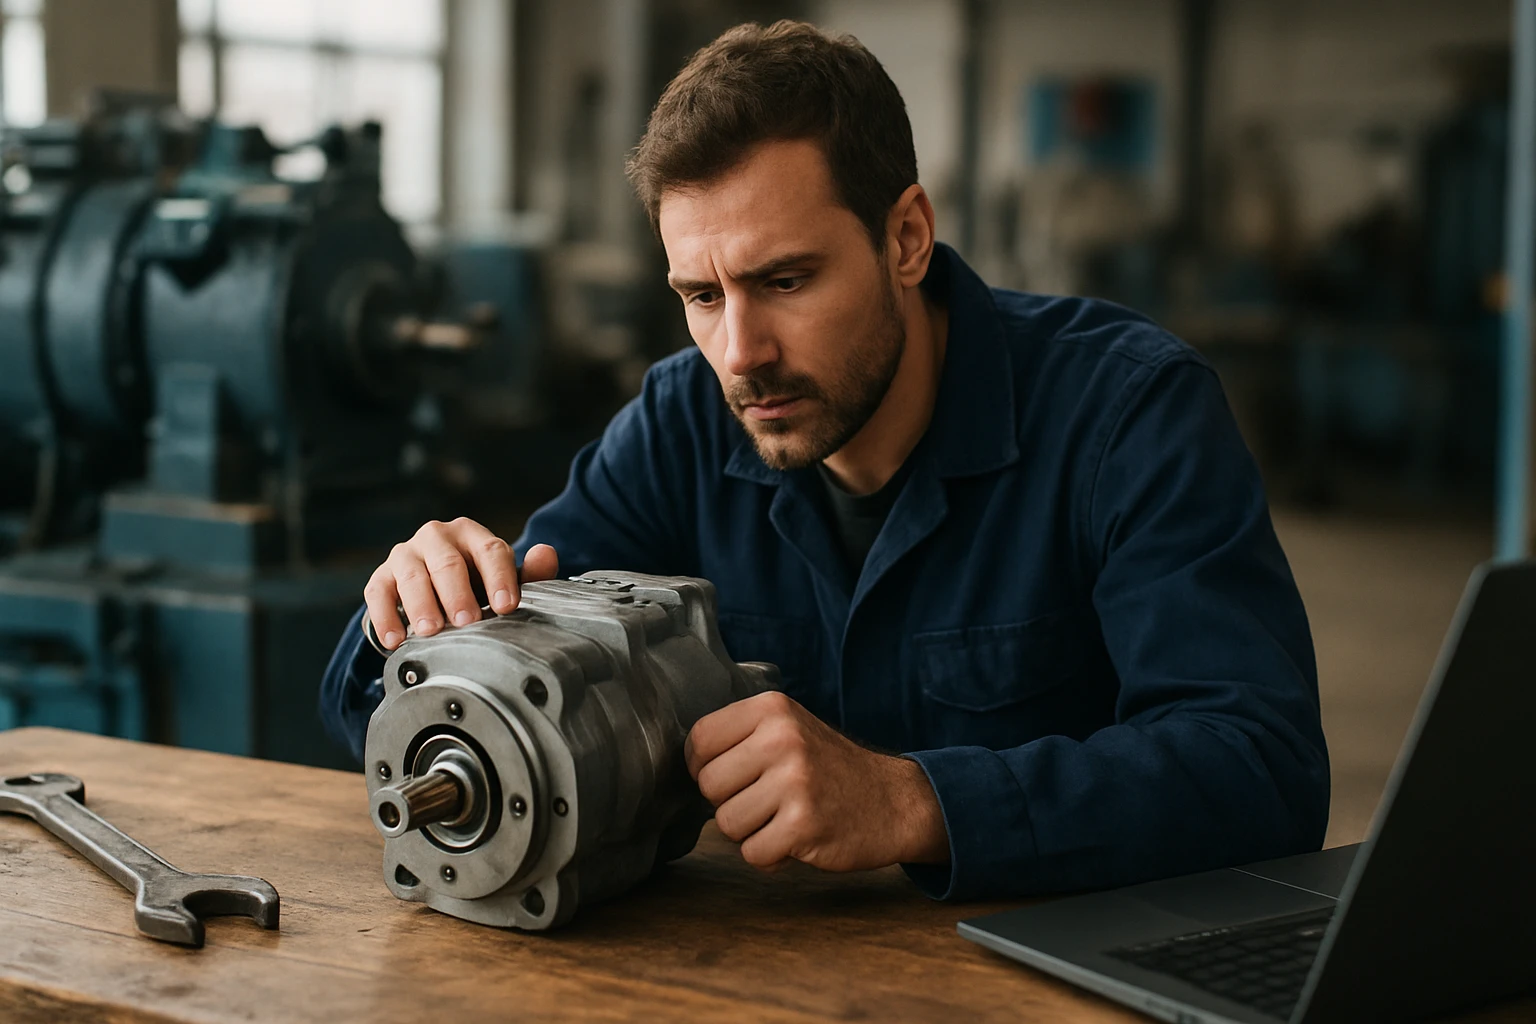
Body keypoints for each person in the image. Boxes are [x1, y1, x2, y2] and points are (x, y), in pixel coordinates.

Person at [320, 20, 1328, 902]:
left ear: (907, 237)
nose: (739, 354)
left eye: (786, 280)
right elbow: (409, 707)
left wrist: (913, 801)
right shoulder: (681, 423)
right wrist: (411, 621)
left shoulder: (1128, 413)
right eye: (701, 296)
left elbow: (1261, 772)